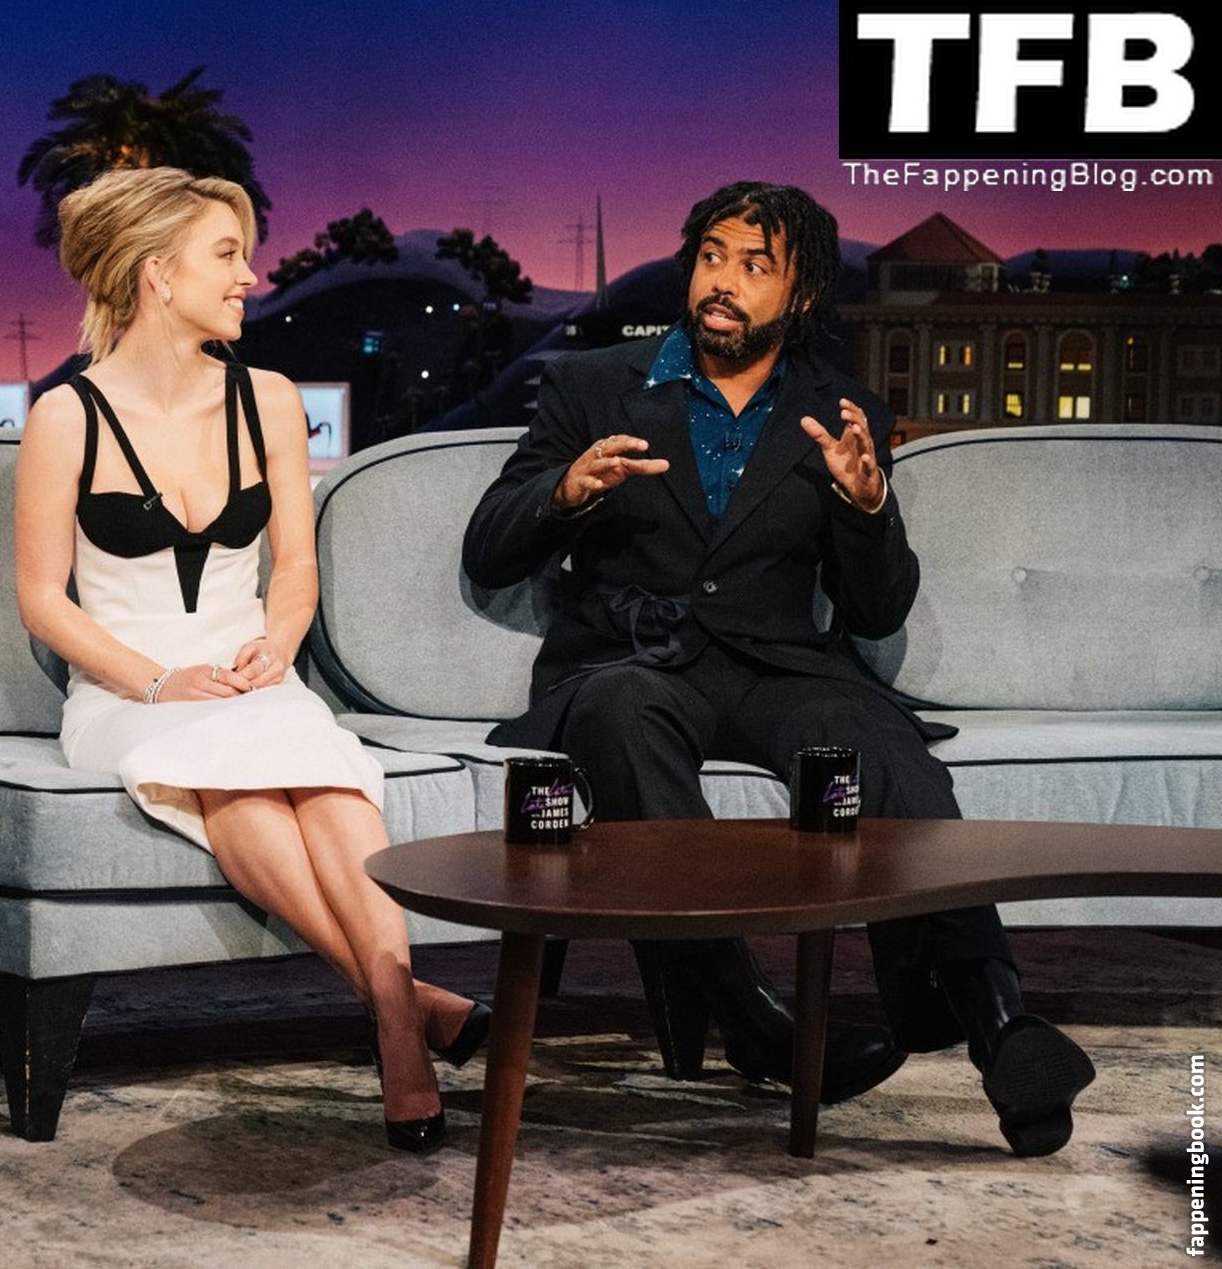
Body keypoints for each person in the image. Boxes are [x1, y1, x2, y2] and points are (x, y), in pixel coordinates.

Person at [462, 181, 1095, 1157]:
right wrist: (565, 489)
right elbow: (489, 548)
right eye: (712, 256)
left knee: (882, 745)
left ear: (799, 296)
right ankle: (751, 1018)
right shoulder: (593, 384)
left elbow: (875, 611)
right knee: (621, 711)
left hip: (780, 671)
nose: (722, 281)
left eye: (755, 265)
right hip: (637, 663)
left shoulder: (841, 412)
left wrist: (866, 511)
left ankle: (1001, 1023)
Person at [14, 168, 488, 1152]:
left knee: (321, 774)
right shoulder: (66, 415)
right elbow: (42, 599)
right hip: (129, 691)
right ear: (156, 273)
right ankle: (401, 1020)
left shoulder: (267, 400)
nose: (250, 276)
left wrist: (278, 646)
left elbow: (296, 566)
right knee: (237, 782)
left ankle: (395, 1015)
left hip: (251, 672)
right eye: (227, 254)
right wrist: (157, 681)